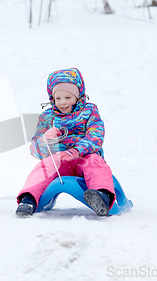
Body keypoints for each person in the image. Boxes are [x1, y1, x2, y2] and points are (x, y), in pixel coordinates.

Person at [16, 68, 115, 217]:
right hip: (59, 160)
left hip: (84, 156)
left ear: (78, 96)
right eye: (58, 98)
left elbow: (96, 136)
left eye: (68, 97)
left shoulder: (90, 111)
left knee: (95, 163)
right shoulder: (47, 117)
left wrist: (76, 151)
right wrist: (45, 140)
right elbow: (35, 149)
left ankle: (102, 196)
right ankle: (28, 198)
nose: (62, 103)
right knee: (44, 167)